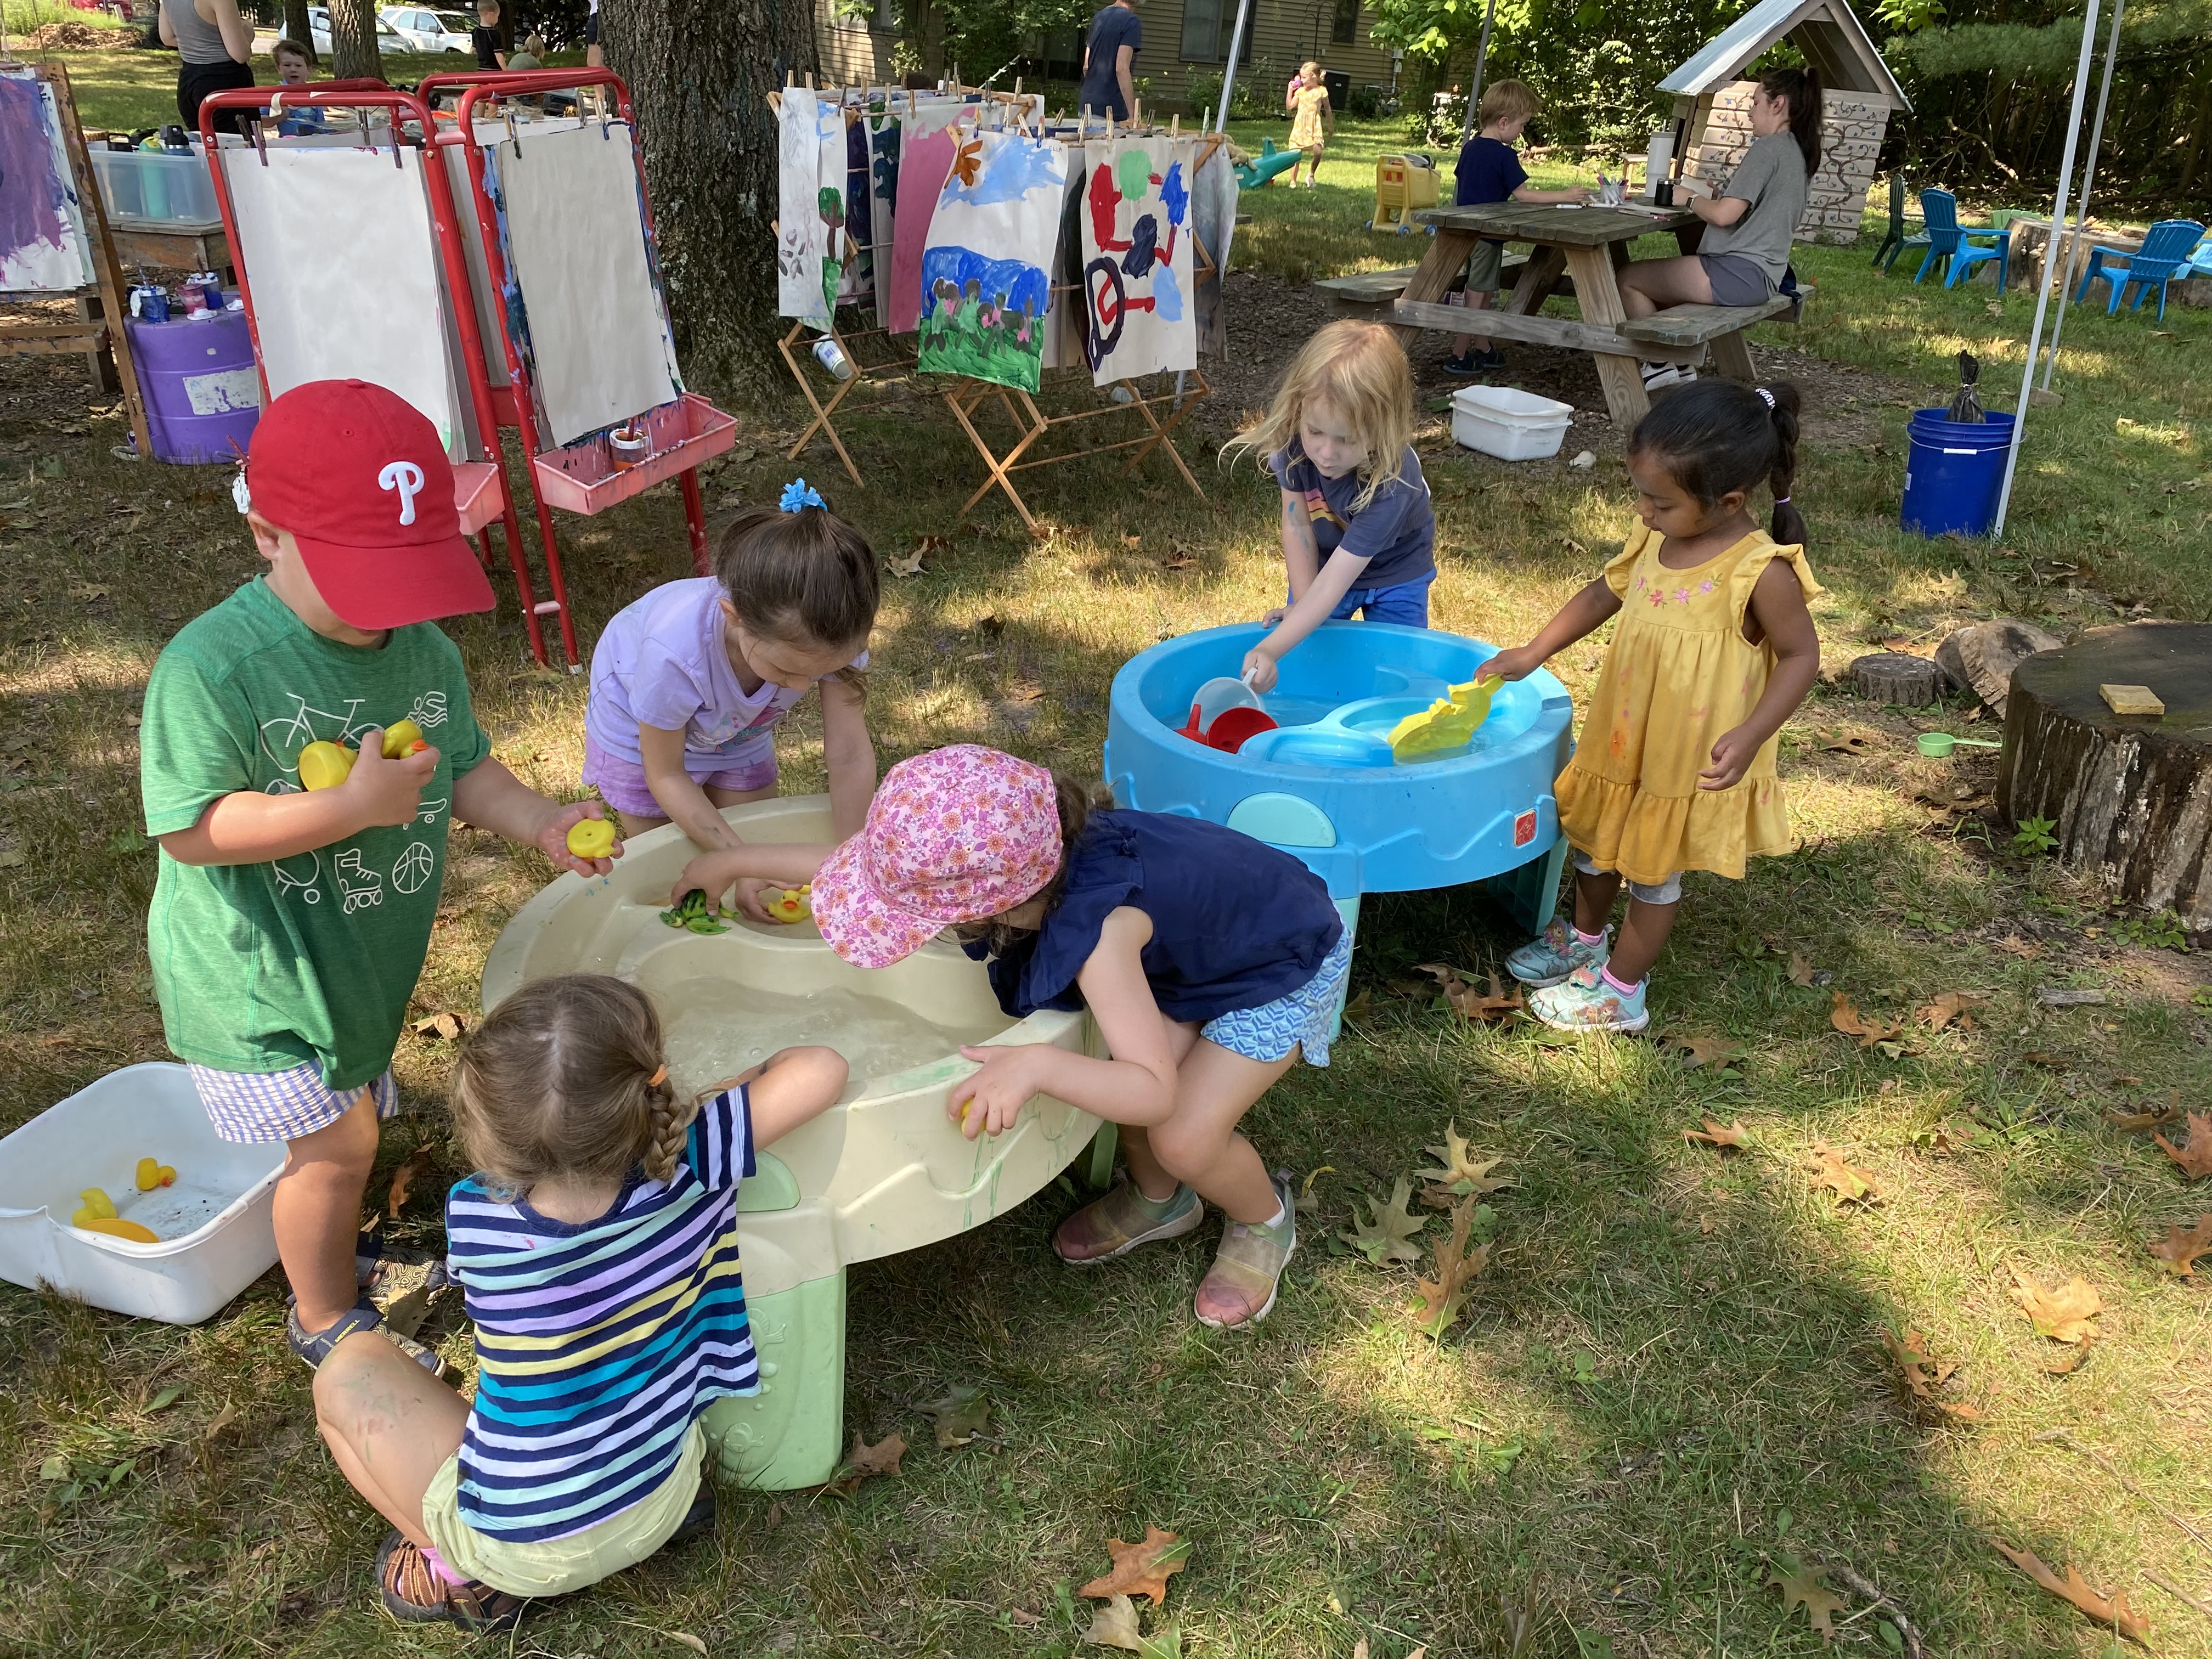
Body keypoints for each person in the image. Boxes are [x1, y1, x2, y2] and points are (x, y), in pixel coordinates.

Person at [139, 380, 622, 1374]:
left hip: (354, 959)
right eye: (363, 576)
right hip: (256, 976)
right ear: (267, 534)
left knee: (343, 1126)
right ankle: (321, 1311)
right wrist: (348, 808)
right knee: (339, 1146)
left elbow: (460, 764)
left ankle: (325, 1240)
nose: (390, 611)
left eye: (411, 572)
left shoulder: (423, 651)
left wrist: (537, 820)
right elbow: (192, 828)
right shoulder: (212, 671)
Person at [671, 747, 1351, 1330]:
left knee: (1181, 1132)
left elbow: (1151, 1091)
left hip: (1281, 966)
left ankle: (1263, 1216)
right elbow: (873, 869)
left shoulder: (1102, 938)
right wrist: (737, 862)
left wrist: (1036, 1064)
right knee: (1130, 1070)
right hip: (1205, 948)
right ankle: (1161, 1200)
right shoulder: (1026, 845)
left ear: (996, 908)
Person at [312, 974, 848, 1630]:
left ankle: (460, 1573)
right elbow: (822, 1067)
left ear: (487, 1128)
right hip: (663, 1495)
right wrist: (715, 1100)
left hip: (524, 1547)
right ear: (649, 1083)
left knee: (346, 1369)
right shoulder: (702, 1156)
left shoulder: (476, 1216)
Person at [1482, 380, 1821, 1031]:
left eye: (1659, 501)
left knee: (1652, 870)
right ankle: (1585, 940)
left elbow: (1802, 657)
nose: (1642, 512)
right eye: (1641, 493)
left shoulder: (1760, 571)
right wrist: (1533, 652)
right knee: (1599, 841)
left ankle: (1621, 991)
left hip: (1684, 755)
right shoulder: (1654, 540)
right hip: (1625, 733)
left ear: (1726, 502)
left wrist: (1752, 733)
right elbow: (1602, 594)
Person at [581, 479, 878, 849]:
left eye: (814, 673)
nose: (801, 687)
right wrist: (740, 861)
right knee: (669, 857)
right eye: (786, 672)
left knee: (755, 841)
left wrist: (855, 856)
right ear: (735, 618)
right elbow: (666, 773)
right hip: (638, 735)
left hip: (736, 733)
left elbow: (849, 752)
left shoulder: (834, 634)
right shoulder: (674, 654)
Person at [1221, 319, 1435, 690]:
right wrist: (1301, 604)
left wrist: (1270, 649)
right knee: (1310, 649)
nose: (1326, 452)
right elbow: (1298, 524)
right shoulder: (1292, 444)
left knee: (1399, 672)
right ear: (1298, 409)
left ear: (1383, 428)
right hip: (1324, 564)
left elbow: (1336, 582)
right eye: (1315, 431)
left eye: (1347, 439)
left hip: (1397, 571)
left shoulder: (1393, 483)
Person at [1617, 66, 1822, 391]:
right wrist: (1716, 194)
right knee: (1667, 284)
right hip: (1767, 275)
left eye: (1756, 102)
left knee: (1627, 278)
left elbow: (1725, 216)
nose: (1750, 111)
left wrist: (1689, 198)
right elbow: (1762, 210)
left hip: (1738, 273)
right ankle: (1681, 364)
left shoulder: (1768, 148)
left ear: (1778, 104)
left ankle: (1657, 363)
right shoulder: (1800, 151)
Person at [1444, 80, 1591, 376]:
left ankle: (1483, 346)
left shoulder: (1470, 148)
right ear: (1503, 122)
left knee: (1484, 292)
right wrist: (1564, 196)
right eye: (1522, 125)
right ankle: (1459, 353)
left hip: (1465, 233)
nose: (1522, 131)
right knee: (1478, 295)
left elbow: (1463, 188)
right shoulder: (1503, 154)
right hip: (1486, 236)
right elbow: (1524, 195)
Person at [159, 0, 254, 136]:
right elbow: (240, 54)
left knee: (204, 148)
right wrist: (248, 31)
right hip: (224, 81)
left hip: (188, 81)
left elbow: (167, 38)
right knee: (239, 148)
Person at [1076, 0, 1141, 125]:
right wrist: (1133, 115)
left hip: (1087, 105)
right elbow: (1121, 68)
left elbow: (1086, 66)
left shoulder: (1099, 18)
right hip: (1111, 112)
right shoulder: (1131, 22)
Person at [1285, 61, 1332, 187]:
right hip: (1300, 125)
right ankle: (1293, 181)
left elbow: (1327, 108)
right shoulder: (1300, 91)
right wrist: (1290, 90)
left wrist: (1330, 125)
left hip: (1314, 124)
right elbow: (1290, 106)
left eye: (1304, 77)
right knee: (1296, 154)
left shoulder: (1322, 91)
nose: (1302, 80)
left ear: (1313, 77)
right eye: (1301, 77)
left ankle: (1311, 174)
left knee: (1318, 151)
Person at [267, 36, 326, 134]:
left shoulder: (314, 96)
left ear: (309, 69)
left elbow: (321, 126)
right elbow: (259, 122)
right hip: (286, 146)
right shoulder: (276, 96)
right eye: (287, 65)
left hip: (312, 145)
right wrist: (279, 117)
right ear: (279, 68)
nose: (293, 69)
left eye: (298, 65)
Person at [471, 1, 505, 70]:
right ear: (491, 15)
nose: (497, 19)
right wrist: (507, 71)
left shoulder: (475, 31)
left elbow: (474, 49)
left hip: (481, 68)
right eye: (497, 17)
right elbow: (499, 56)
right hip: (494, 70)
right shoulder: (494, 34)